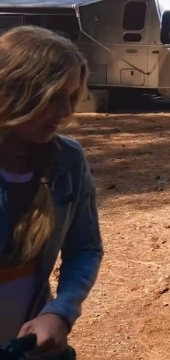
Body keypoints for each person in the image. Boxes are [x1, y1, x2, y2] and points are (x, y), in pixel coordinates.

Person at [0, 26, 104, 358]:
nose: (66, 113)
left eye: (72, 96)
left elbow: (85, 247)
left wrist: (59, 311)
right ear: (15, 90)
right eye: (54, 96)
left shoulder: (68, 161)